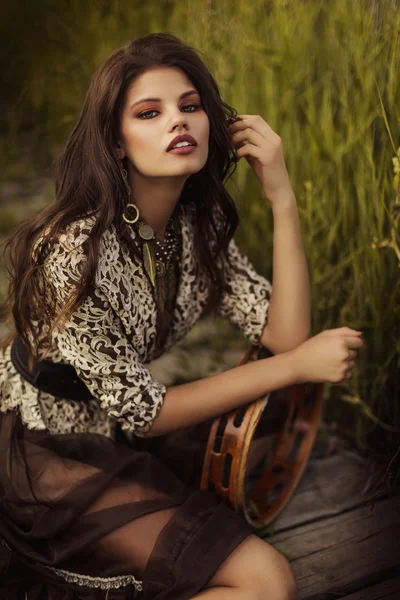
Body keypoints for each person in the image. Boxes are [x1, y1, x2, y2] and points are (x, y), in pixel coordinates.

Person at [0, 32, 363, 600]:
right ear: (115, 142)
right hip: (47, 447)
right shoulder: (71, 255)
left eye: (190, 106)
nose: (179, 121)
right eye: (150, 112)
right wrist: (296, 368)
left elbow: (285, 333)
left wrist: (282, 195)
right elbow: (150, 411)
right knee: (266, 581)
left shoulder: (197, 223)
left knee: (257, 470)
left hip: (115, 429)